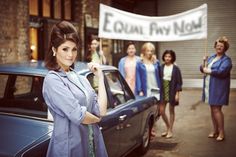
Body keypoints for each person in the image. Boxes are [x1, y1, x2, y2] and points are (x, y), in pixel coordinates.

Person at [43, 21, 108, 157]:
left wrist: (101, 78)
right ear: (54, 50)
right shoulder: (53, 80)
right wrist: (97, 120)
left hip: (92, 143)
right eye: (65, 49)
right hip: (70, 147)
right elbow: (79, 115)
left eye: (74, 49)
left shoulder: (81, 78)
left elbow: (101, 110)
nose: (70, 55)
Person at [200, 36, 232, 141]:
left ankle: (221, 132)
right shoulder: (211, 57)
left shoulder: (227, 60)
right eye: (217, 45)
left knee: (217, 109)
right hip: (209, 86)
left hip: (218, 88)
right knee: (212, 109)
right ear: (215, 46)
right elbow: (203, 69)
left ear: (225, 48)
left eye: (221, 46)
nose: (219, 47)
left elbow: (223, 72)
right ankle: (215, 130)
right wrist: (203, 62)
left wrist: (209, 71)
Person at [135, 42, 162, 138]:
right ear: (144, 51)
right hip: (146, 90)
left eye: (151, 51)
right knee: (148, 110)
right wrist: (139, 90)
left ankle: (153, 126)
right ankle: (149, 129)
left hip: (156, 88)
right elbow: (137, 77)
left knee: (156, 110)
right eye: (148, 50)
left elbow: (160, 74)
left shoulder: (156, 62)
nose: (149, 52)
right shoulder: (140, 62)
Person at [159, 50, 182, 138]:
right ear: (163, 57)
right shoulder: (161, 67)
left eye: (169, 56)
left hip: (172, 89)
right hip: (163, 89)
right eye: (166, 56)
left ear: (172, 58)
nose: (167, 58)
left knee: (171, 111)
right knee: (161, 111)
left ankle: (170, 130)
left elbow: (179, 82)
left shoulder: (176, 69)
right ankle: (168, 127)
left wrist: (177, 94)